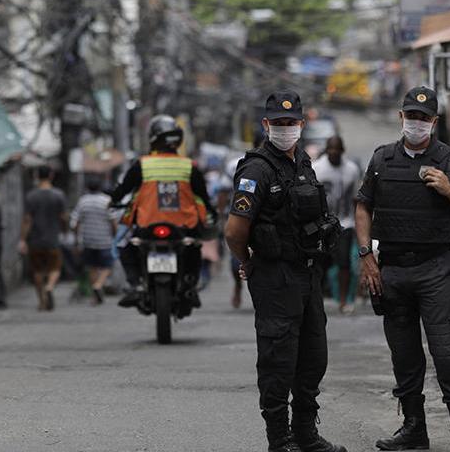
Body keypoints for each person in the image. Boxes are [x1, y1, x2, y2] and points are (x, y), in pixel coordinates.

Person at [355, 86, 450, 452]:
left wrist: (449, 190)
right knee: (404, 355)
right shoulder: (382, 160)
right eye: (411, 116)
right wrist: (366, 256)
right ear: (401, 117)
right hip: (393, 270)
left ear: (434, 122)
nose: (416, 123)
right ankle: (415, 430)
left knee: (447, 354)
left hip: (435, 271)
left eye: (424, 118)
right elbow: (362, 206)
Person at [224, 90, 346, 452]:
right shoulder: (255, 169)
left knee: (313, 358)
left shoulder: (303, 162)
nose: (285, 129)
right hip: (274, 276)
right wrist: (247, 260)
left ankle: (306, 434)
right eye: (278, 123)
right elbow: (234, 231)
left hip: (307, 275)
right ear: (266, 125)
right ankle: (280, 440)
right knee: (279, 360)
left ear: (302, 125)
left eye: (291, 123)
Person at [109, 114, 217, 308]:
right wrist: (211, 212)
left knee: (126, 246)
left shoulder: (142, 164)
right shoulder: (188, 166)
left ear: (152, 138)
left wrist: (113, 201)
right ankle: (190, 284)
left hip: (146, 225)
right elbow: (202, 195)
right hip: (183, 226)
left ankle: (136, 285)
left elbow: (123, 189)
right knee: (193, 248)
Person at [312, 136, 361, 314]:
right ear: (326, 150)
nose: (334, 154)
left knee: (344, 262)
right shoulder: (317, 168)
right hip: (322, 223)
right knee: (320, 262)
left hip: (344, 223)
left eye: (337, 150)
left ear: (342, 151)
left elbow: (356, 198)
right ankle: (316, 298)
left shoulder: (351, 170)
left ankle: (342, 299)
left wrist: (358, 224)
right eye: (331, 150)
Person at [18, 165, 68, 311]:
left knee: (37, 271)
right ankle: (50, 286)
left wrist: (22, 239)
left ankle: (41, 301)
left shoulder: (31, 196)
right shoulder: (59, 195)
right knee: (55, 268)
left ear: (36, 176)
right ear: (51, 175)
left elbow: (27, 219)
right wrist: (65, 231)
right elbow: (63, 217)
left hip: (35, 240)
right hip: (53, 239)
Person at [70, 175, 117, 305]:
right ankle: (99, 285)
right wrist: (115, 236)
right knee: (107, 266)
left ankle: (95, 297)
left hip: (88, 240)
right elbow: (113, 221)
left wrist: (76, 240)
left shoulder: (83, 201)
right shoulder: (107, 201)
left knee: (92, 267)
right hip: (104, 240)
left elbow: (75, 223)